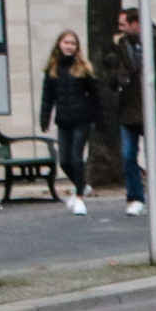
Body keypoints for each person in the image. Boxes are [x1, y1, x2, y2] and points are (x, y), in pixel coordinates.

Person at [96, 7, 156, 217]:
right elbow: (111, 71)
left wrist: (155, 76)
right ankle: (135, 197)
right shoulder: (120, 46)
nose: (121, 29)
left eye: (124, 24)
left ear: (136, 24)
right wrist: (116, 80)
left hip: (153, 109)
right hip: (127, 109)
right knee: (128, 156)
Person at [37, 29, 102, 215]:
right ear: (59, 44)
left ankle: (80, 197)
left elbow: (96, 95)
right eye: (66, 42)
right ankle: (81, 185)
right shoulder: (53, 69)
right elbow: (47, 97)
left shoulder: (83, 68)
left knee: (76, 158)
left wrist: (98, 118)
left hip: (82, 118)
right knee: (64, 161)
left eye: (73, 43)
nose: (69, 46)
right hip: (63, 119)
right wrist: (45, 118)